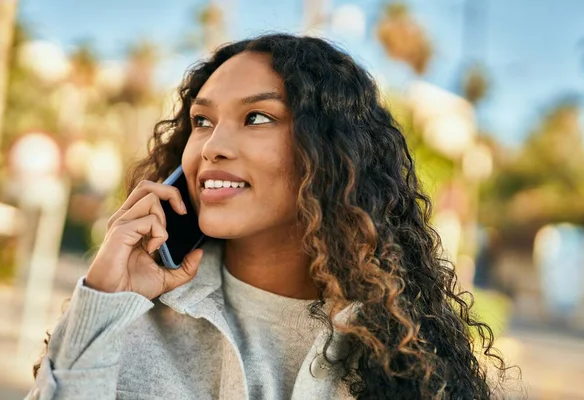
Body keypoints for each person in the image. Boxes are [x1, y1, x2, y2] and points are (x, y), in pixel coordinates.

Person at [28, 33, 509, 399]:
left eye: (258, 117)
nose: (213, 147)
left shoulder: (398, 344)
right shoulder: (129, 317)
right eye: (202, 121)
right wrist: (103, 303)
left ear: (332, 154)